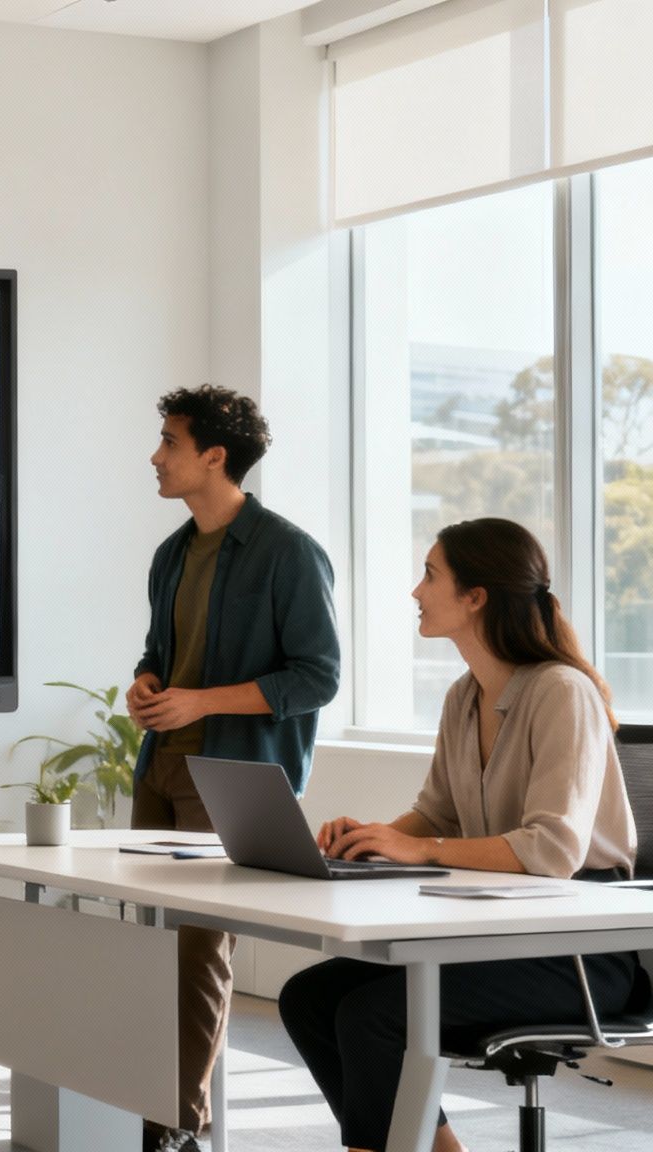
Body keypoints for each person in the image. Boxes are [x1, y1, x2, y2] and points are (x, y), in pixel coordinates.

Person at [279, 518, 646, 1152]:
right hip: (502, 931)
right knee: (310, 996)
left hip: (582, 950)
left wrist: (416, 848)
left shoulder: (563, 692)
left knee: (374, 1016)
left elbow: (553, 849)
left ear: (475, 596)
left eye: (430, 575)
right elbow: (439, 813)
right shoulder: (463, 696)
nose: (416, 590)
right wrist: (370, 837)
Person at [127, 385, 342, 1152]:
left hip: (231, 775)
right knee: (149, 946)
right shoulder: (173, 552)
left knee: (195, 953)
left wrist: (202, 703)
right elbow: (162, 655)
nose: (156, 456)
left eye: (170, 442)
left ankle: (177, 1126)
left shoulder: (288, 551)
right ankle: (151, 1103)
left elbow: (317, 677)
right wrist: (147, 685)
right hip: (160, 769)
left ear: (215, 455)